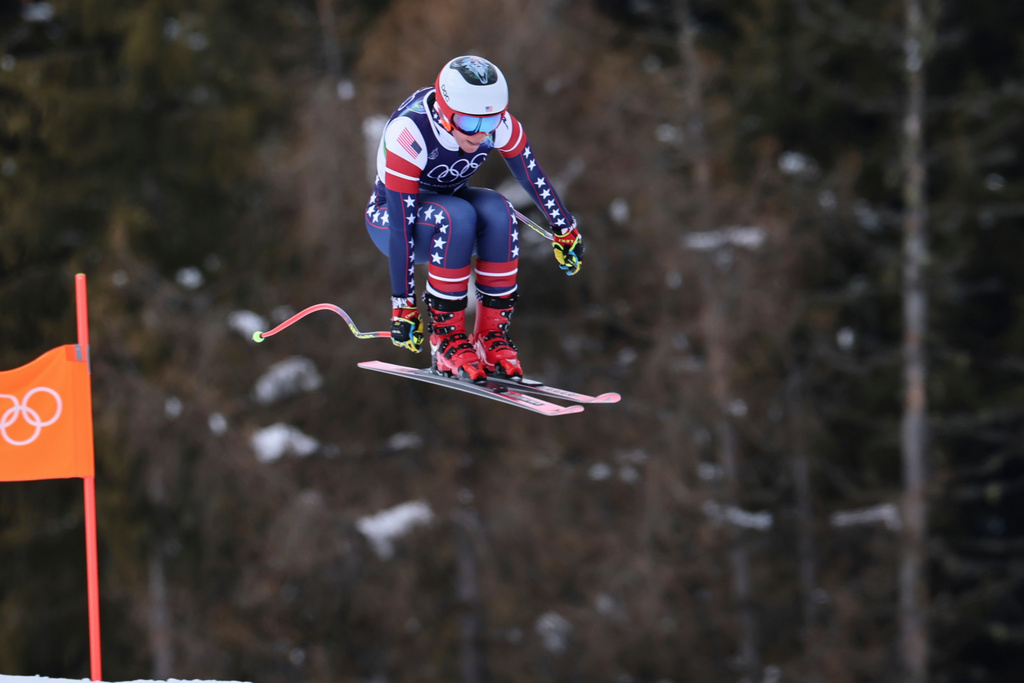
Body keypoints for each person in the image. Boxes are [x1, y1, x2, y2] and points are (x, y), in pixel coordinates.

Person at [365, 55, 584, 382]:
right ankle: (446, 340)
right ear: (444, 111)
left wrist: (565, 230)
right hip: (391, 220)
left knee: (500, 210)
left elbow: (532, 176)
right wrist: (403, 305)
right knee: (456, 215)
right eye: (470, 124)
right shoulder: (410, 133)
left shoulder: (496, 125)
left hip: (451, 212)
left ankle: (489, 338)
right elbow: (400, 226)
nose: (480, 135)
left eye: (490, 124)